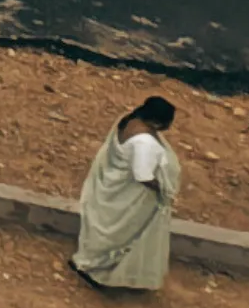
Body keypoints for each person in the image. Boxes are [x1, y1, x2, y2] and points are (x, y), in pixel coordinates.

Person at [69, 95, 182, 295]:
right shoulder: (144, 143)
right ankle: (94, 269)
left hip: (116, 188)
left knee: (107, 228)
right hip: (130, 196)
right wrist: (162, 188)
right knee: (120, 233)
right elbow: (143, 175)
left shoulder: (129, 120)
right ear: (156, 122)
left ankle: (87, 261)